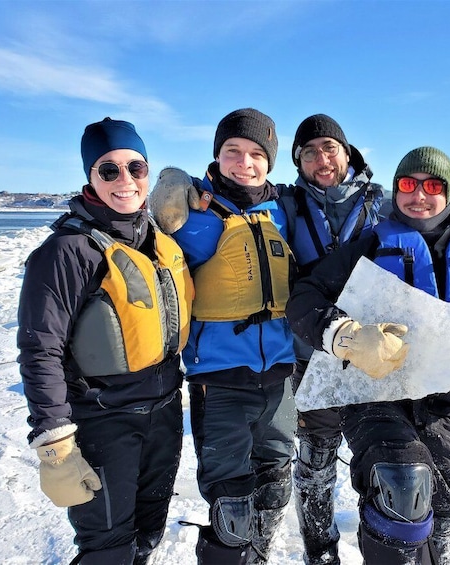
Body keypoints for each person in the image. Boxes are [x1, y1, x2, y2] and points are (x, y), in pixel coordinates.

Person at [286, 146, 450, 564]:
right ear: (395, 191)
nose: (419, 195)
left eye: (432, 186)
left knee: (443, 525)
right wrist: (345, 334)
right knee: (401, 489)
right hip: (379, 398)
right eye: (408, 185)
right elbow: (304, 301)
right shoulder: (371, 245)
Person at [18, 117, 193, 565]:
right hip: (103, 422)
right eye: (108, 170)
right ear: (90, 178)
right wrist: (55, 443)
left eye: (135, 168)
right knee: (107, 549)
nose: (125, 181)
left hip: (164, 412)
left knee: (149, 533)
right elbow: (41, 350)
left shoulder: (158, 240)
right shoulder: (65, 252)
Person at [148, 108, 296, 564]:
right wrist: (165, 188)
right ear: (217, 155)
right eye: (233, 151)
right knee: (231, 505)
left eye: (256, 154)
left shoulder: (284, 211)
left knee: (274, 484)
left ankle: (260, 556)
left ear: (269, 161)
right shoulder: (191, 209)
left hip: (280, 375)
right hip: (220, 377)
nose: (244, 163)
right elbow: (137, 241)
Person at [279, 114, 384, 565]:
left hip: (373, 357)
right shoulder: (284, 204)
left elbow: (429, 228)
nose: (321, 159)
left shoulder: (382, 204)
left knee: (380, 464)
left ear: (347, 153)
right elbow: (233, 199)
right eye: (309, 153)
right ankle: (321, 556)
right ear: (298, 163)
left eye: (329, 148)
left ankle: (383, 550)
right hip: (313, 352)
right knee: (316, 465)